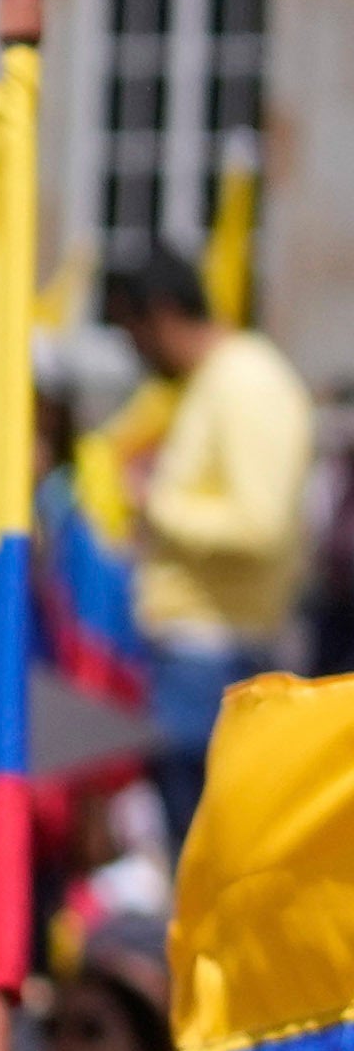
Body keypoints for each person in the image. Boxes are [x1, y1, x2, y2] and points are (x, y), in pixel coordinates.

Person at [121, 240, 321, 785]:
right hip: (201, 656)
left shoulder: (245, 382)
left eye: (132, 335)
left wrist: (157, 506)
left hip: (214, 658)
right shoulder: (222, 380)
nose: (134, 354)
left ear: (161, 314)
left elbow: (261, 526)